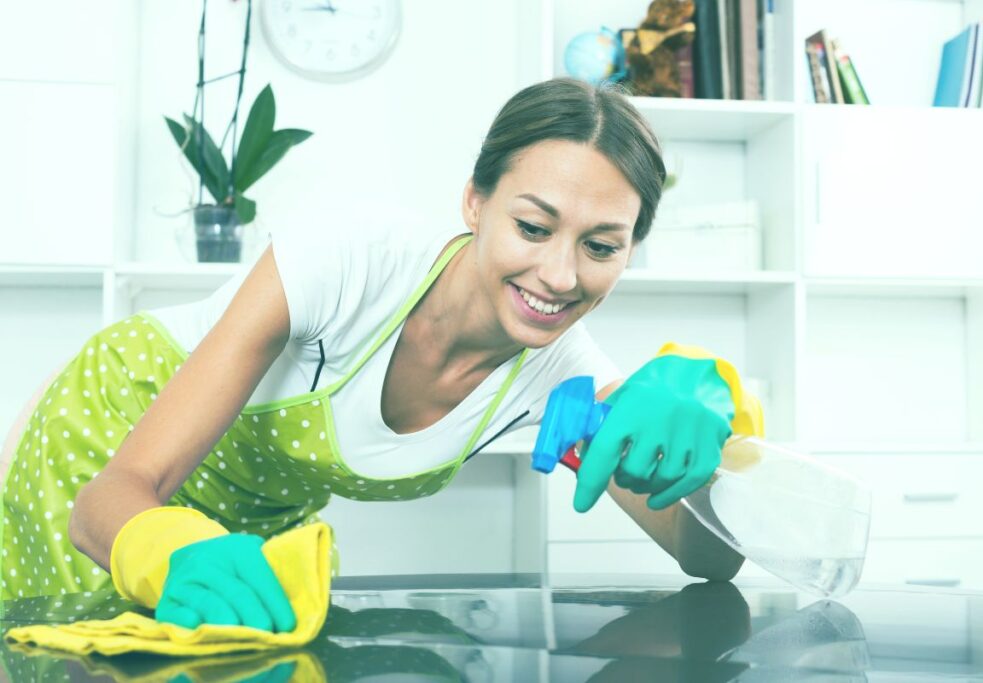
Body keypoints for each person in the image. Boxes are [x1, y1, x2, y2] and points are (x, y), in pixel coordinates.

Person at [0, 77, 762, 631]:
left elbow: (710, 562)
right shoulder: (351, 258)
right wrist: (164, 552)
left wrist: (706, 445)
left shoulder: (563, 377)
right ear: (475, 202)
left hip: (246, 515)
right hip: (117, 433)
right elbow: (109, 499)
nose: (561, 276)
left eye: (601, 246)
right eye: (533, 227)